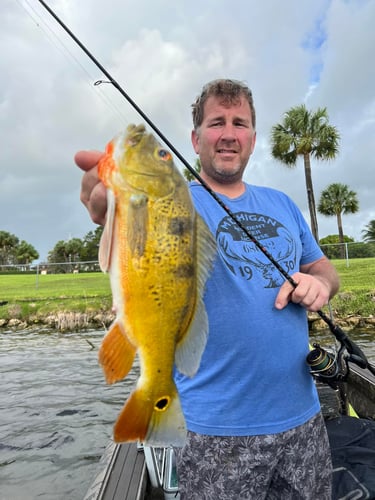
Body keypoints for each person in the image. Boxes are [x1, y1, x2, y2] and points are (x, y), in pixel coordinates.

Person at [75, 79, 340, 499]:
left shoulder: (283, 203)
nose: (230, 134)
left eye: (241, 123)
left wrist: (320, 283)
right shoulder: (175, 200)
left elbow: (324, 268)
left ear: (253, 138)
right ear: (195, 139)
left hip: (303, 423)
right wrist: (111, 203)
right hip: (216, 434)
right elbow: (115, 216)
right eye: (217, 123)